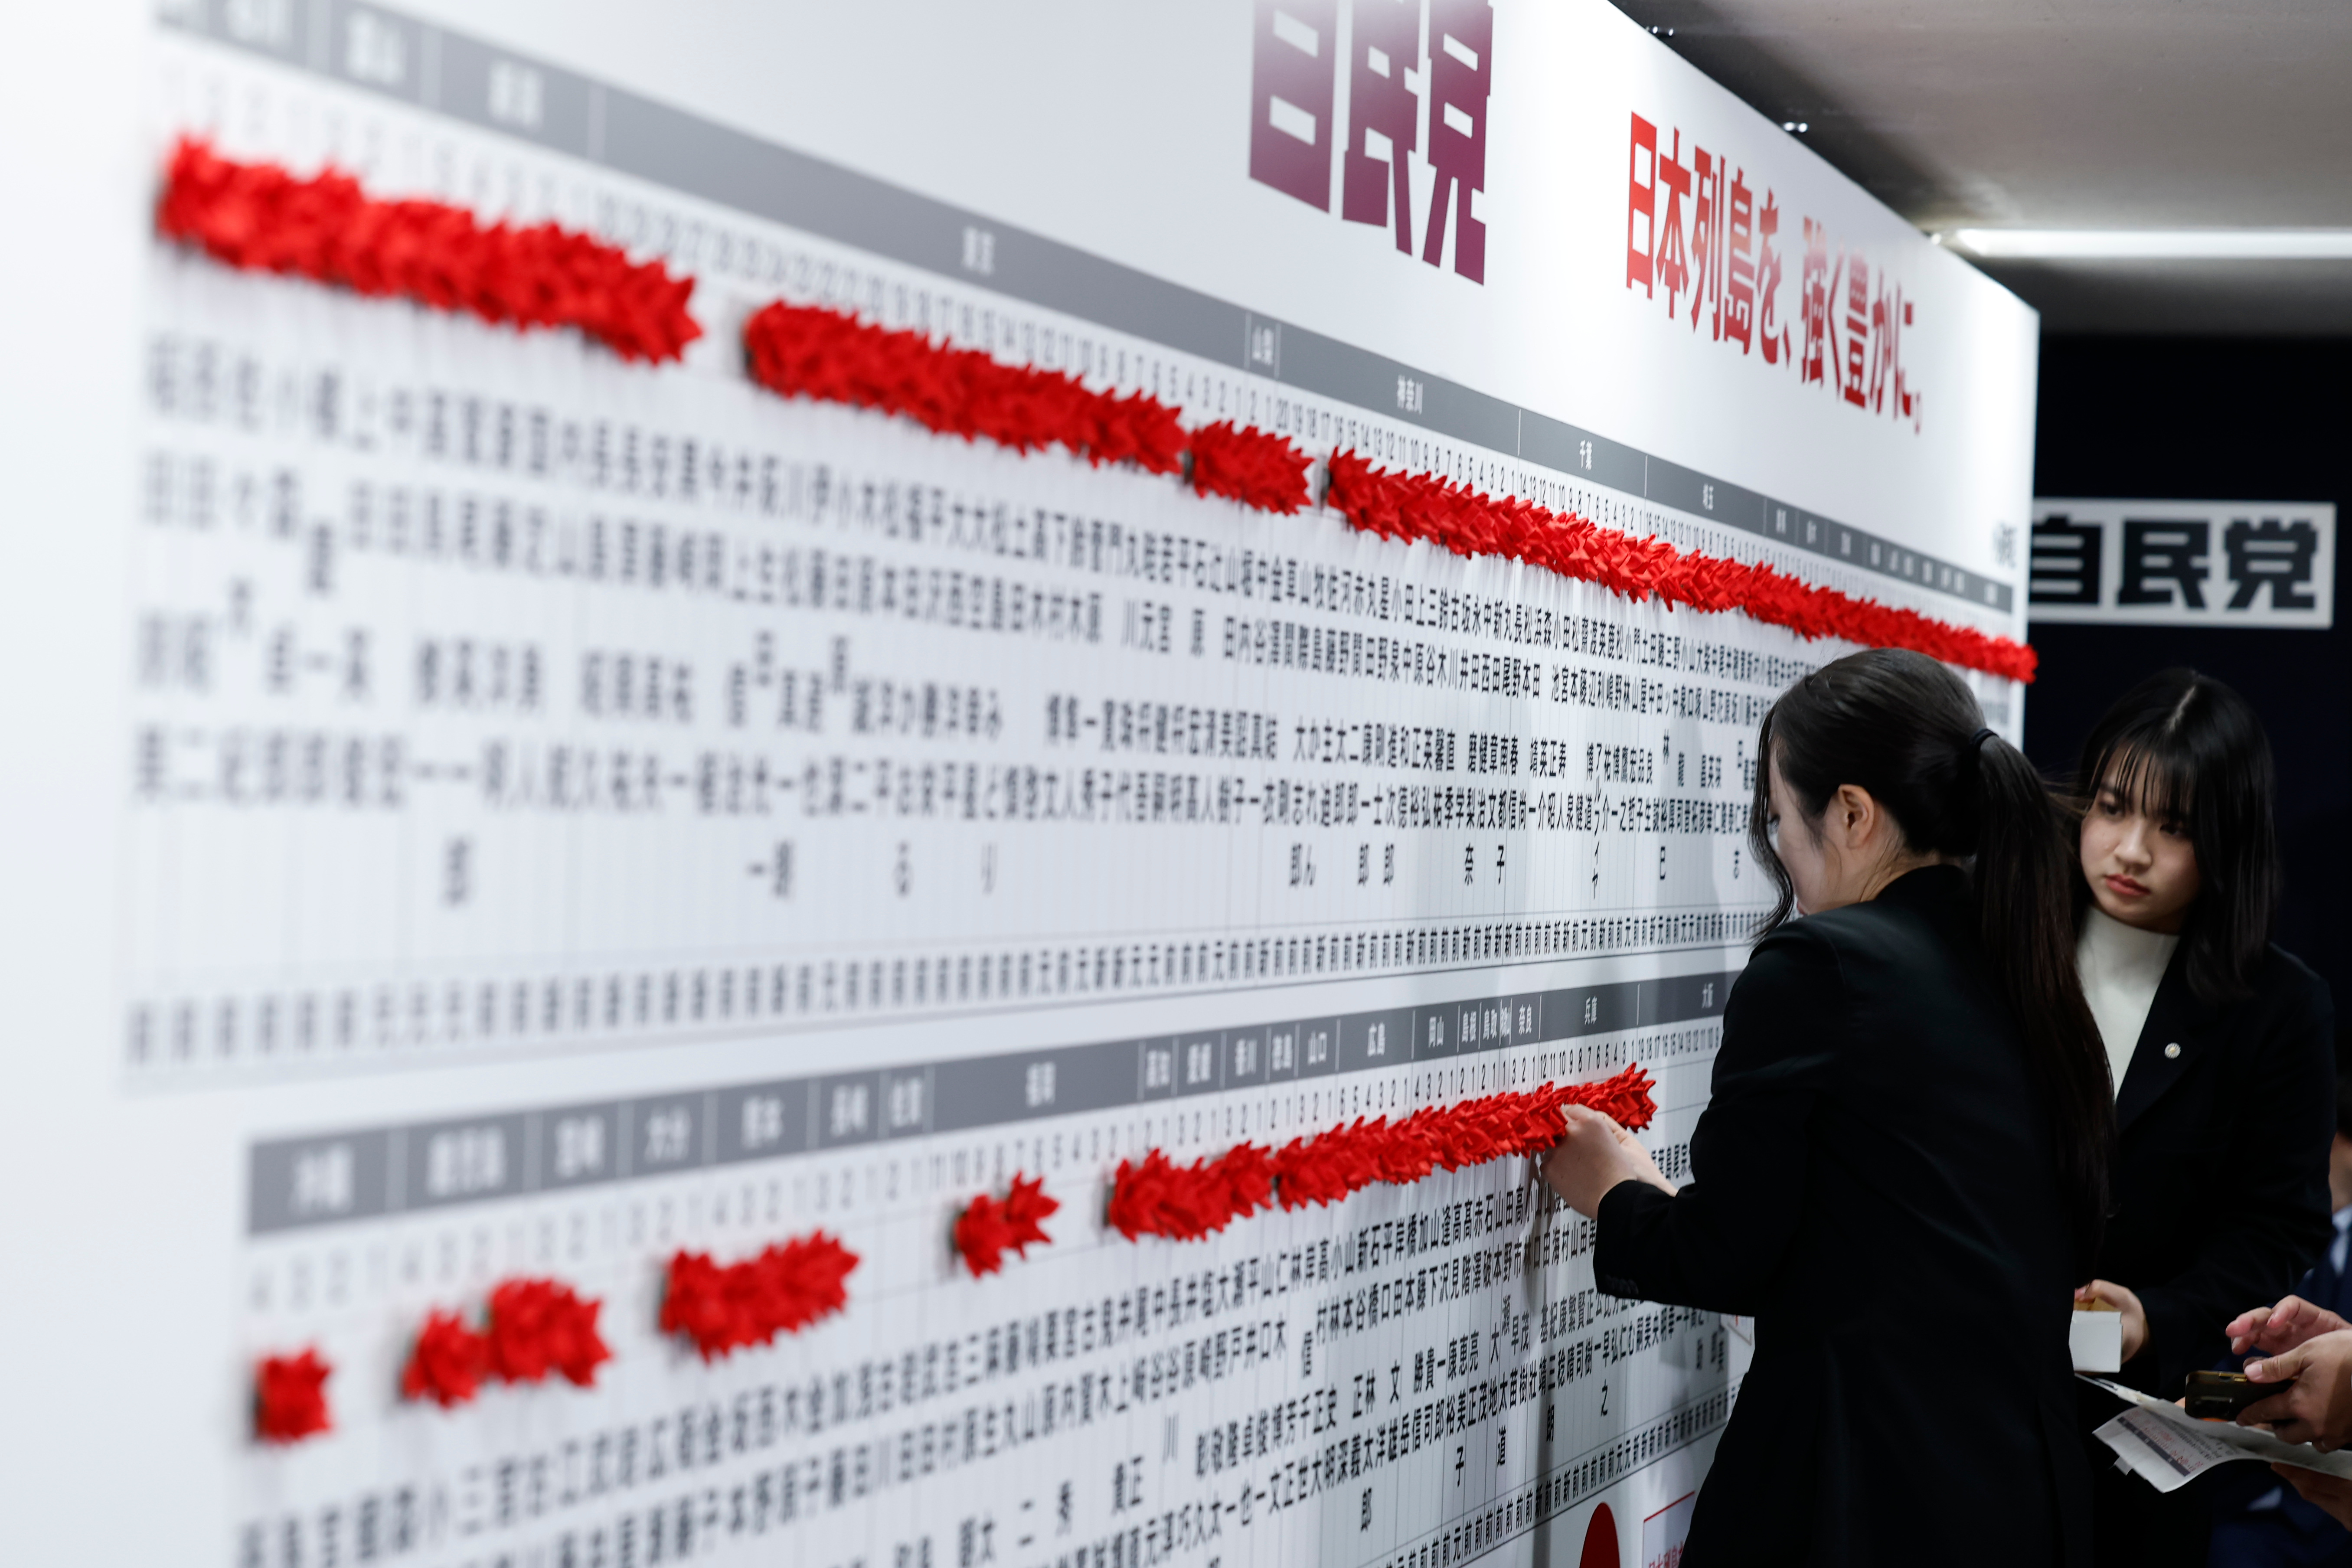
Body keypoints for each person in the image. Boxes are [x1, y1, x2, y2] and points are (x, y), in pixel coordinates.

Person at [1543, 647, 2110, 1566]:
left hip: (1862, 1496)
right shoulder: (2022, 957)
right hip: (2023, 1498)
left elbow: (1727, 1254)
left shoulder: (1825, 966)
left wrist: (1617, 1189)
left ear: (1851, 812)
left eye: (1778, 818)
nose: (1779, 850)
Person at [2064, 670, 2336, 1567]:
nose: (2130, 849)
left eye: (2174, 827)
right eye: (2112, 808)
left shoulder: (2278, 1006)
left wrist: (2155, 1316)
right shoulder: (2005, 944)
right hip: (1955, 1397)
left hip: (2137, 1438)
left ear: (2227, 840)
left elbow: (2276, 1227)